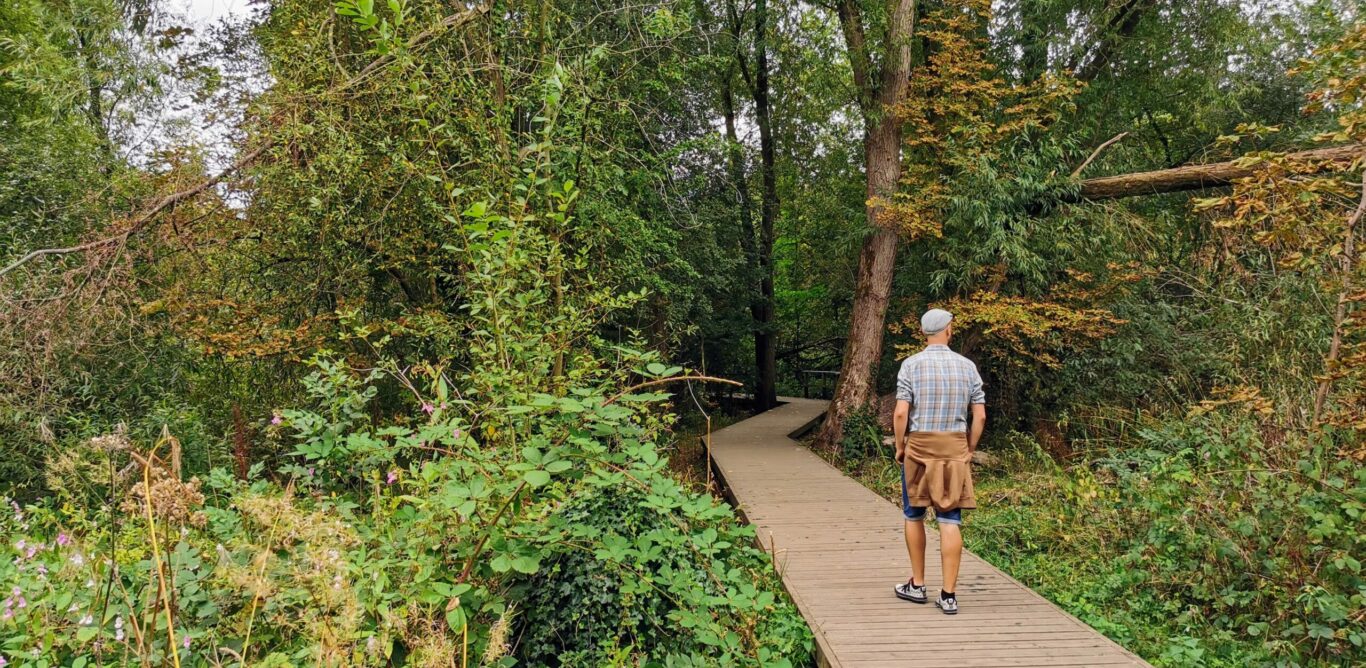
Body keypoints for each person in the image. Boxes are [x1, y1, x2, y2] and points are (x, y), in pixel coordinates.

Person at [891, 308, 986, 615]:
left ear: (923, 333)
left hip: (919, 446)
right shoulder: (967, 367)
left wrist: (901, 446)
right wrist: (969, 447)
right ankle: (948, 595)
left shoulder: (911, 365)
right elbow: (980, 415)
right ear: (948, 330)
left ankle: (917, 585)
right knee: (949, 520)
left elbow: (901, 413)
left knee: (913, 515)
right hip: (953, 448)